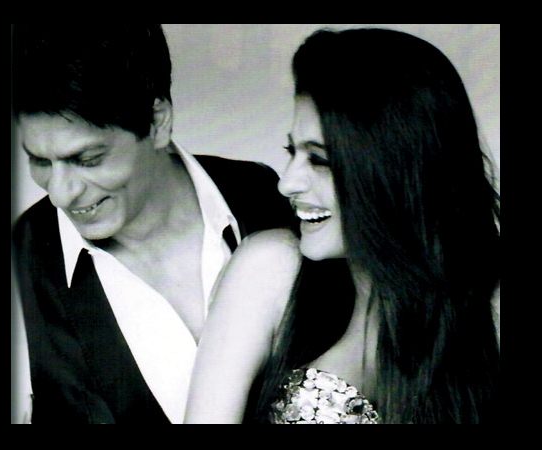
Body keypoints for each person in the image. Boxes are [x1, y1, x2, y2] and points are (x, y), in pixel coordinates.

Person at [184, 27, 500, 424]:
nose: (287, 183)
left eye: (319, 160)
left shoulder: (486, 306)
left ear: (394, 167)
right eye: (292, 152)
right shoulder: (272, 267)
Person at [11, 24, 294, 424]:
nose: (60, 194)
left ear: (157, 121)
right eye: (40, 161)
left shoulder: (269, 195)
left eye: (88, 160)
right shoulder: (26, 250)